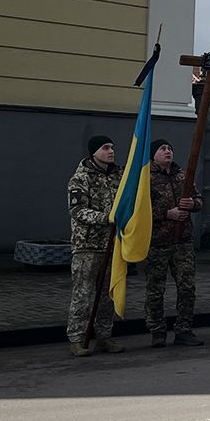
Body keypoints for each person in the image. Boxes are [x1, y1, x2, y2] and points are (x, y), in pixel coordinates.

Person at [65, 135, 125, 357]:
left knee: (107, 295)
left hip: (112, 245)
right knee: (83, 294)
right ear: (94, 152)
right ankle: (77, 339)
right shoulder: (80, 179)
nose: (111, 151)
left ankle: (104, 337)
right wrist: (106, 218)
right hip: (87, 245)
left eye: (112, 147)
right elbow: (77, 211)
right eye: (105, 148)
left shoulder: (119, 176)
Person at [145, 139, 203, 348]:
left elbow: (198, 199)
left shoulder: (182, 176)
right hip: (157, 242)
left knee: (187, 288)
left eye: (170, 148)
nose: (167, 151)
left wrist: (193, 204)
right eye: (162, 149)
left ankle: (184, 330)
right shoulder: (146, 178)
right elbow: (139, 209)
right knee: (155, 289)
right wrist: (166, 213)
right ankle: (157, 331)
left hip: (183, 242)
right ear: (153, 154)